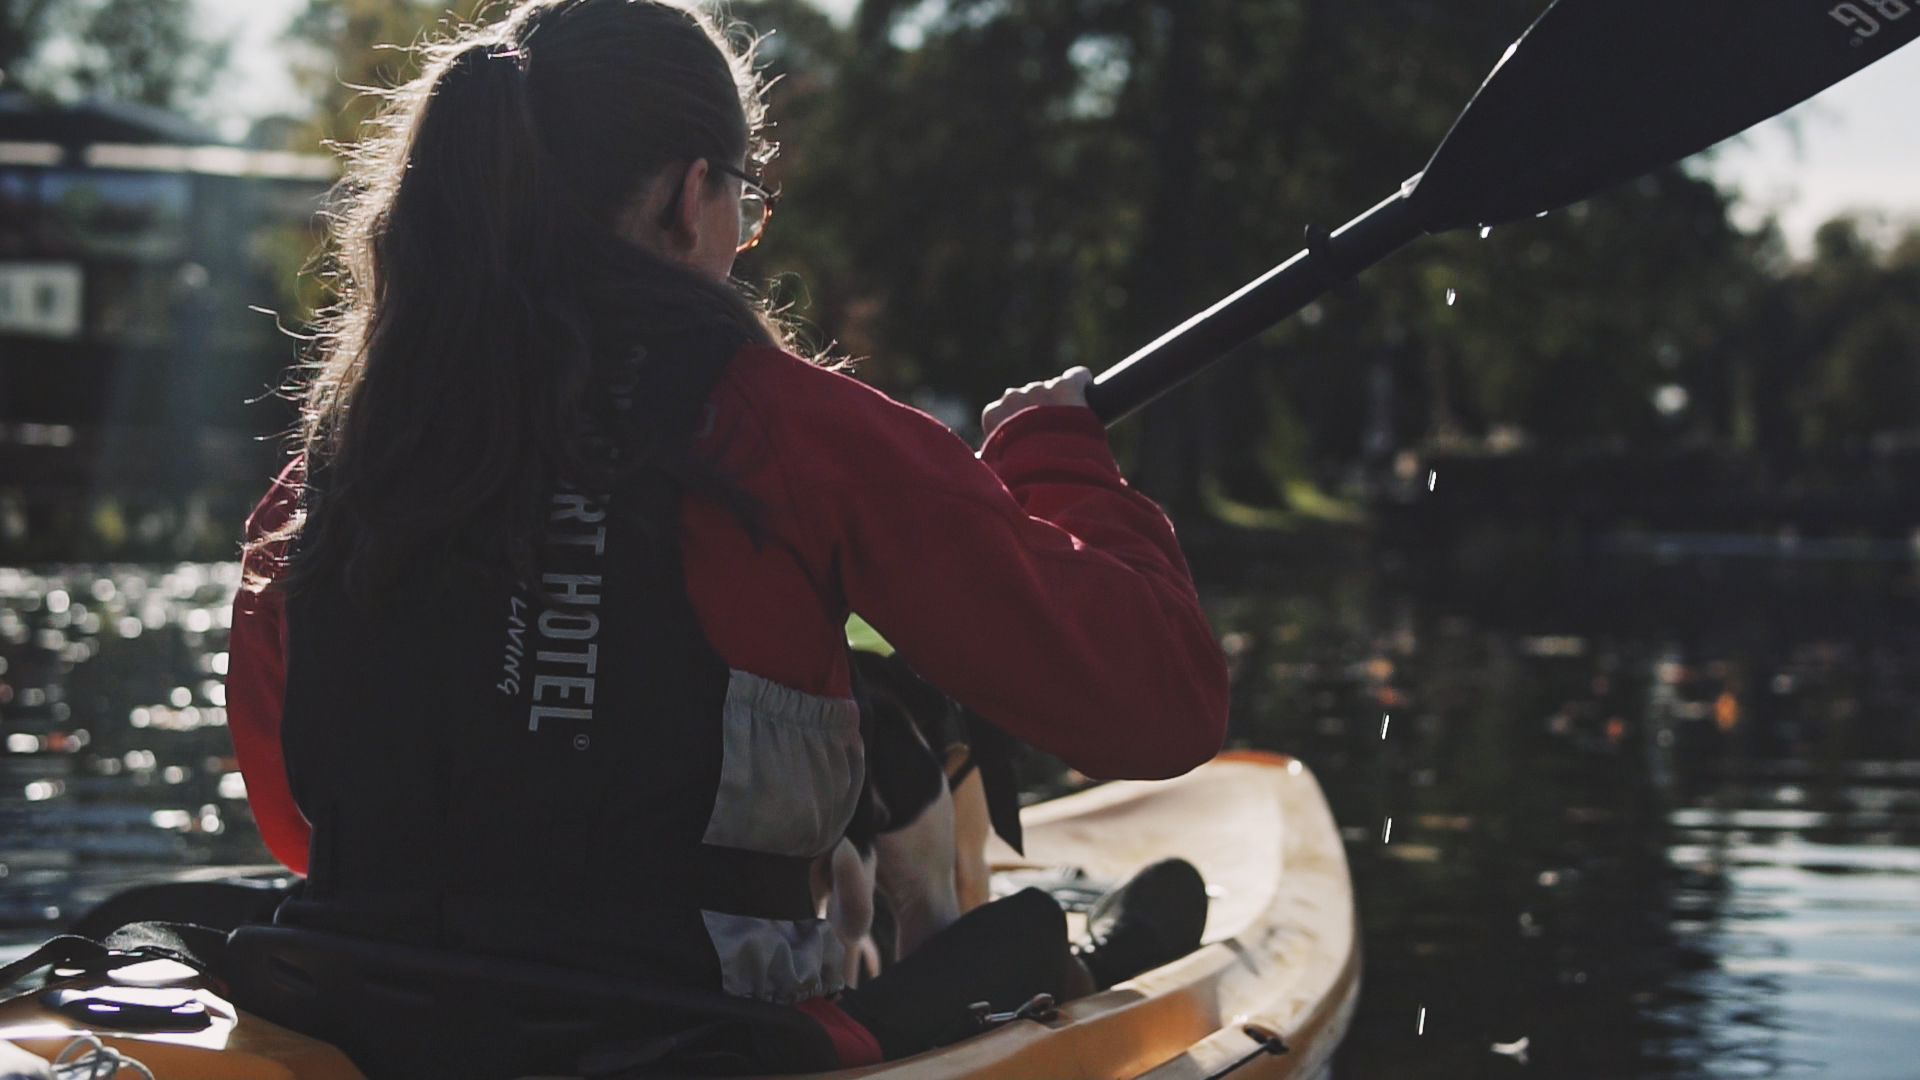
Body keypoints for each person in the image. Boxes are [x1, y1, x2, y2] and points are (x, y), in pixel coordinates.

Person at [225, 0, 1229, 1071]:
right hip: (703, 1042)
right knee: (1014, 939)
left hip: (377, 1015)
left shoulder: (333, 466)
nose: (739, 238)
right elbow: (1162, 709)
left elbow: (299, 828)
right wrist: (1058, 458)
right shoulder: (792, 433)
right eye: (742, 204)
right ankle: (1078, 951)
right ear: (686, 195)